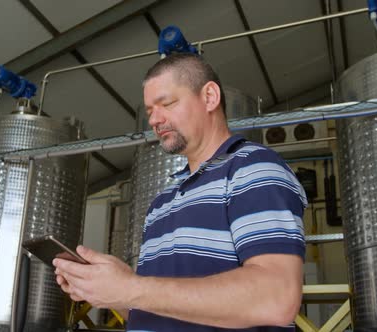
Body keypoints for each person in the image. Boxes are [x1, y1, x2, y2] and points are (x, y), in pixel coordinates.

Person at [53, 53, 307, 331]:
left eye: (167, 103)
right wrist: (107, 289)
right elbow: (155, 309)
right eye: (149, 111)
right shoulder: (161, 203)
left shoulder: (252, 168)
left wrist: (132, 287)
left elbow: (276, 299)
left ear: (209, 97)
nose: (154, 120)